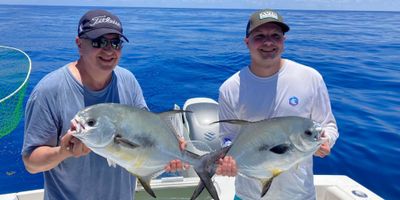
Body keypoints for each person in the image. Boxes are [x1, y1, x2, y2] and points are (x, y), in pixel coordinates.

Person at [21, 9, 184, 200]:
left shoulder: (128, 81)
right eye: (99, 42)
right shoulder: (48, 91)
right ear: (79, 44)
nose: (109, 50)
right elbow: (31, 163)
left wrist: (173, 147)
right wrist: (62, 152)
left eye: (116, 43)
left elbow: (148, 130)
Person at [215, 8, 339, 200]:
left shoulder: (310, 78)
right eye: (259, 36)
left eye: (275, 35)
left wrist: (326, 141)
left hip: (299, 194)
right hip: (248, 194)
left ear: (284, 41)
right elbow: (227, 138)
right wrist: (228, 162)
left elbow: (328, 125)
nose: (268, 42)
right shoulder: (230, 88)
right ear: (247, 42)